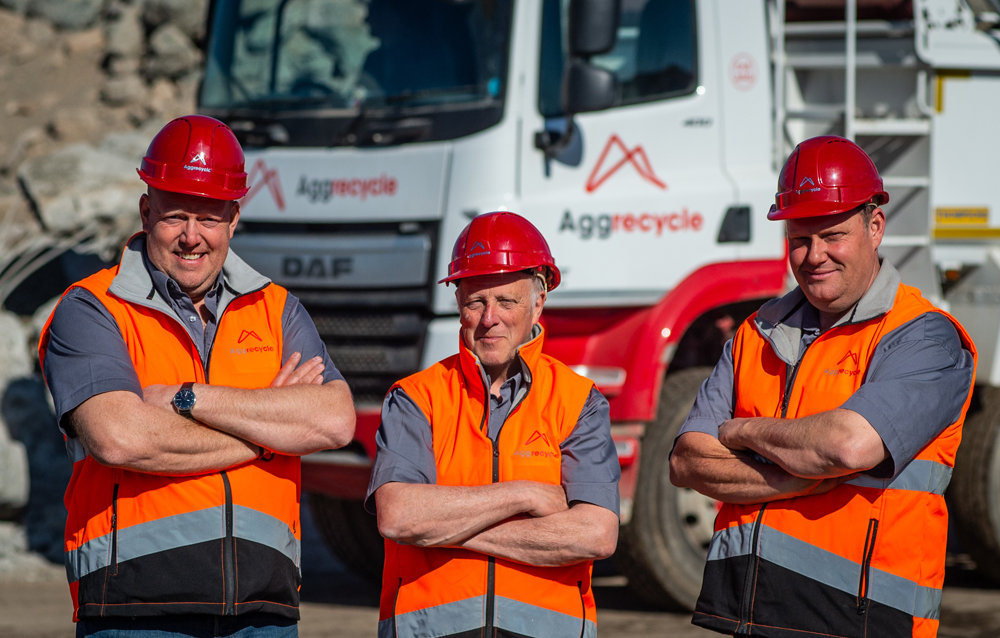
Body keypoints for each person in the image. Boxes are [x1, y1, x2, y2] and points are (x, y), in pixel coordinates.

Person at [38, 115, 356, 638]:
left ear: (234, 218)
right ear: (146, 211)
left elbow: (335, 420)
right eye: (176, 216)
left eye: (209, 217)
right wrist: (269, 433)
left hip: (264, 613)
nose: (192, 237)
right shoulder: (93, 309)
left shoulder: (277, 309)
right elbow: (121, 439)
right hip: (136, 612)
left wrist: (188, 399)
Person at [670, 136, 977, 638]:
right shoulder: (756, 332)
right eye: (799, 239)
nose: (814, 256)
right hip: (750, 616)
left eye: (832, 235)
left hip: (863, 621)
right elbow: (687, 462)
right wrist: (796, 477)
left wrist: (742, 431)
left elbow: (848, 445)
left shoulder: (924, 336)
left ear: (875, 226)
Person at [366, 211, 620, 638]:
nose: (490, 318)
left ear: (538, 303)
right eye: (475, 302)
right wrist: (524, 494)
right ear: (458, 305)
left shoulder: (579, 400)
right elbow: (399, 518)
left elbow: (595, 535)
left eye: (506, 301)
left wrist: (444, 529)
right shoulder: (416, 397)